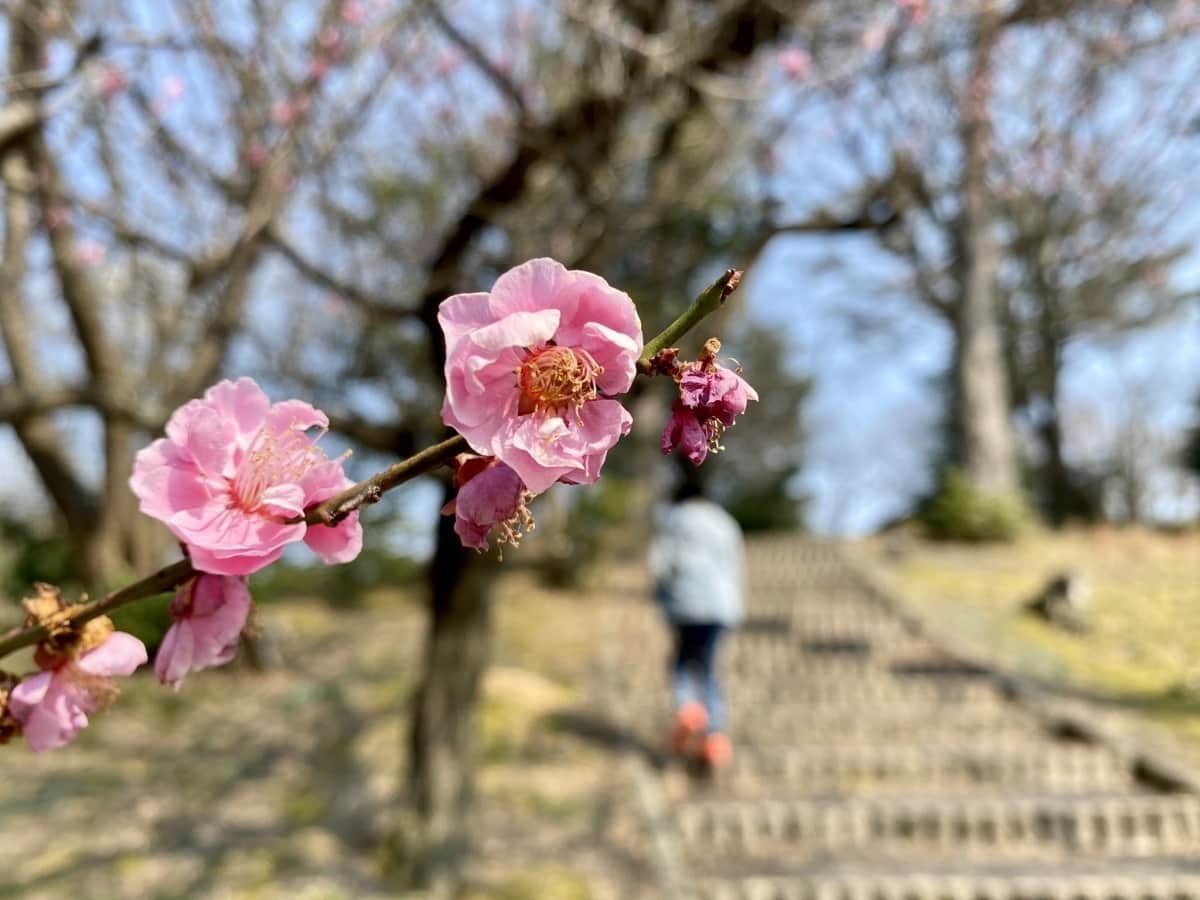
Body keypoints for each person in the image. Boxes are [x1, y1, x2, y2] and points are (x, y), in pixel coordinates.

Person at [649, 468, 746, 769]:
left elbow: (660, 563)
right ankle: (715, 737)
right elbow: (735, 565)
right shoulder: (725, 522)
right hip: (721, 605)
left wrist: (659, 596)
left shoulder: (675, 519)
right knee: (708, 667)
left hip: (686, 602)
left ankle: (688, 709)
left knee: (681, 662)